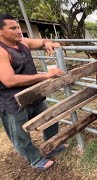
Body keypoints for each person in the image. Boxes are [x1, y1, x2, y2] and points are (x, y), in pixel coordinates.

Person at [0, 14, 67, 170]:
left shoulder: (22, 42)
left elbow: (41, 41)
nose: (19, 31)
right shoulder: (2, 51)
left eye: (18, 27)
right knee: (20, 135)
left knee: (50, 118)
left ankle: (52, 147)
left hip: (32, 94)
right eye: (13, 28)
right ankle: (35, 160)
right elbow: (9, 80)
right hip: (12, 101)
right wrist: (45, 75)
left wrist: (48, 42)